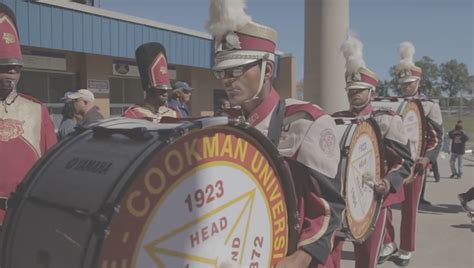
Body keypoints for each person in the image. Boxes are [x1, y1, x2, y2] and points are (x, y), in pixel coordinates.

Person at [207, 1, 345, 267]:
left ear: (267, 70)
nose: (227, 79)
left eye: (236, 69)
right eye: (222, 72)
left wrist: (300, 258)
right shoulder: (231, 126)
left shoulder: (306, 121)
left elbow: (331, 208)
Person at [329, 34, 413, 268]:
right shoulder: (337, 120)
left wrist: (387, 183)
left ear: (372, 93)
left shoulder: (386, 121)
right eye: (351, 90)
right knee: (329, 255)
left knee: (366, 259)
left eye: (359, 90)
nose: (353, 94)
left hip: (373, 201)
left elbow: (404, 162)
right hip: (340, 199)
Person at [379, 42, 443, 266]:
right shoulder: (392, 104)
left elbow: (436, 138)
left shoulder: (429, 105)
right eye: (403, 84)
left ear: (418, 82)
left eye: (410, 83)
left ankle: (406, 248)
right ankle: (388, 241)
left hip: (416, 163)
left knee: (409, 209)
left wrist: (427, 158)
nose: (406, 87)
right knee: (384, 203)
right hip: (394, 162)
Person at [0, 3, 57, 222]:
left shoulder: (36, 110)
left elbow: (50, 166)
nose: (12, 74)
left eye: (16, 68)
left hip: (22, 216)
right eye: (5, 67)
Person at [123, 42, 179, 122]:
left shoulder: (174, 114)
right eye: (160, 89)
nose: (165, 93)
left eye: (166, 89)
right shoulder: (133, 115)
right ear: (149, 89)